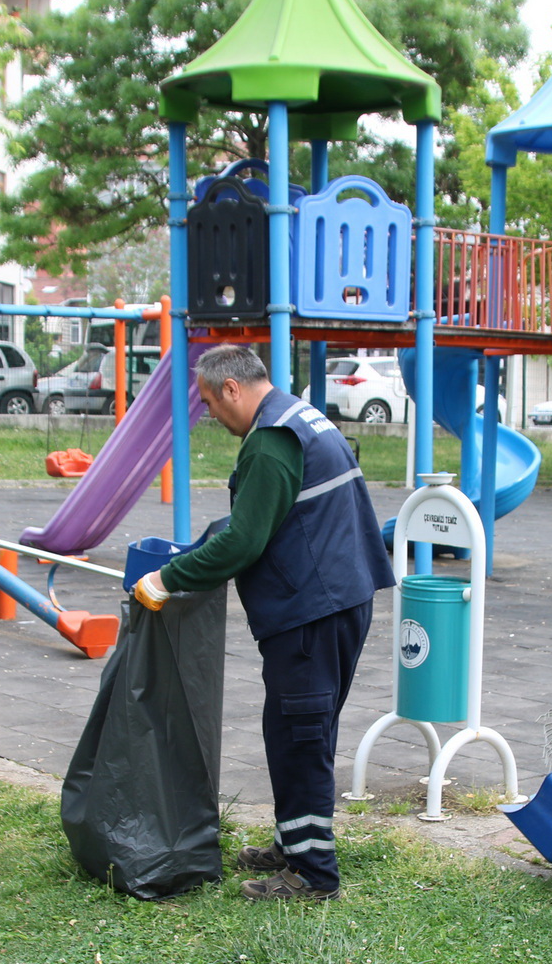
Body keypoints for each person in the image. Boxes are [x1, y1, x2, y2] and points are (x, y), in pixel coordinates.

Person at [132, 345, 395, 901]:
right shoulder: (300, 417)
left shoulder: (271, 441)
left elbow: (246, 541)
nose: (211, 415)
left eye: (208, 402)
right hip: (338, 597)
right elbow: (275, 513)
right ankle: (292, 844)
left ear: (231, 388)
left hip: (311, 610)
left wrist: (167, 578)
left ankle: (312, 874)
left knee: (299, 736)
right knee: (296, 730)